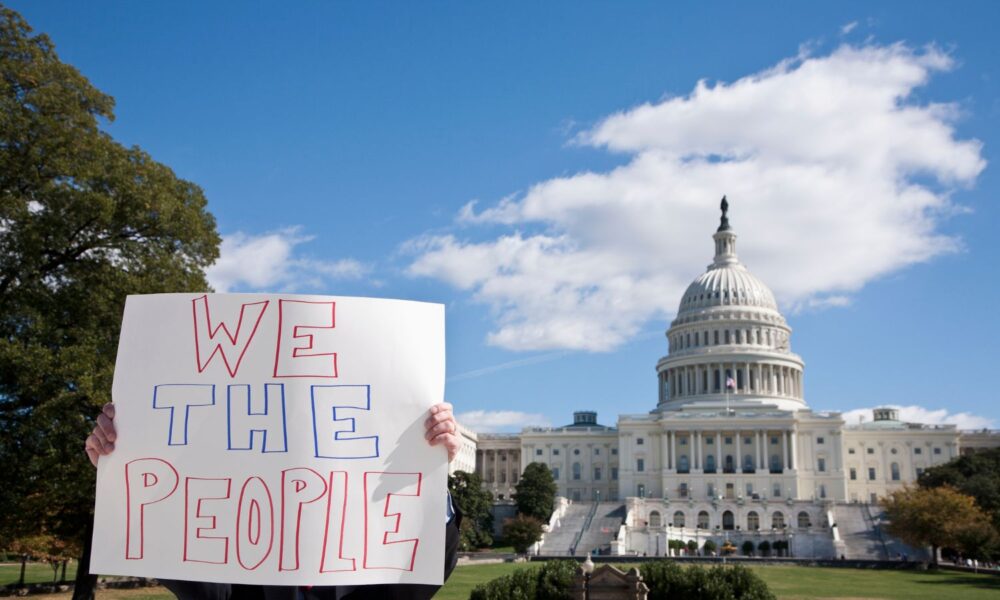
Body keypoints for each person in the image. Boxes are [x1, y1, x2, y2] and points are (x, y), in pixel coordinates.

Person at [86, 402, 463, 600]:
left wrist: (429, 473)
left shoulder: (373, 568)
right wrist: (121, 467)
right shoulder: (239, 562)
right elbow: (180, 565)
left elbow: (421, 577)